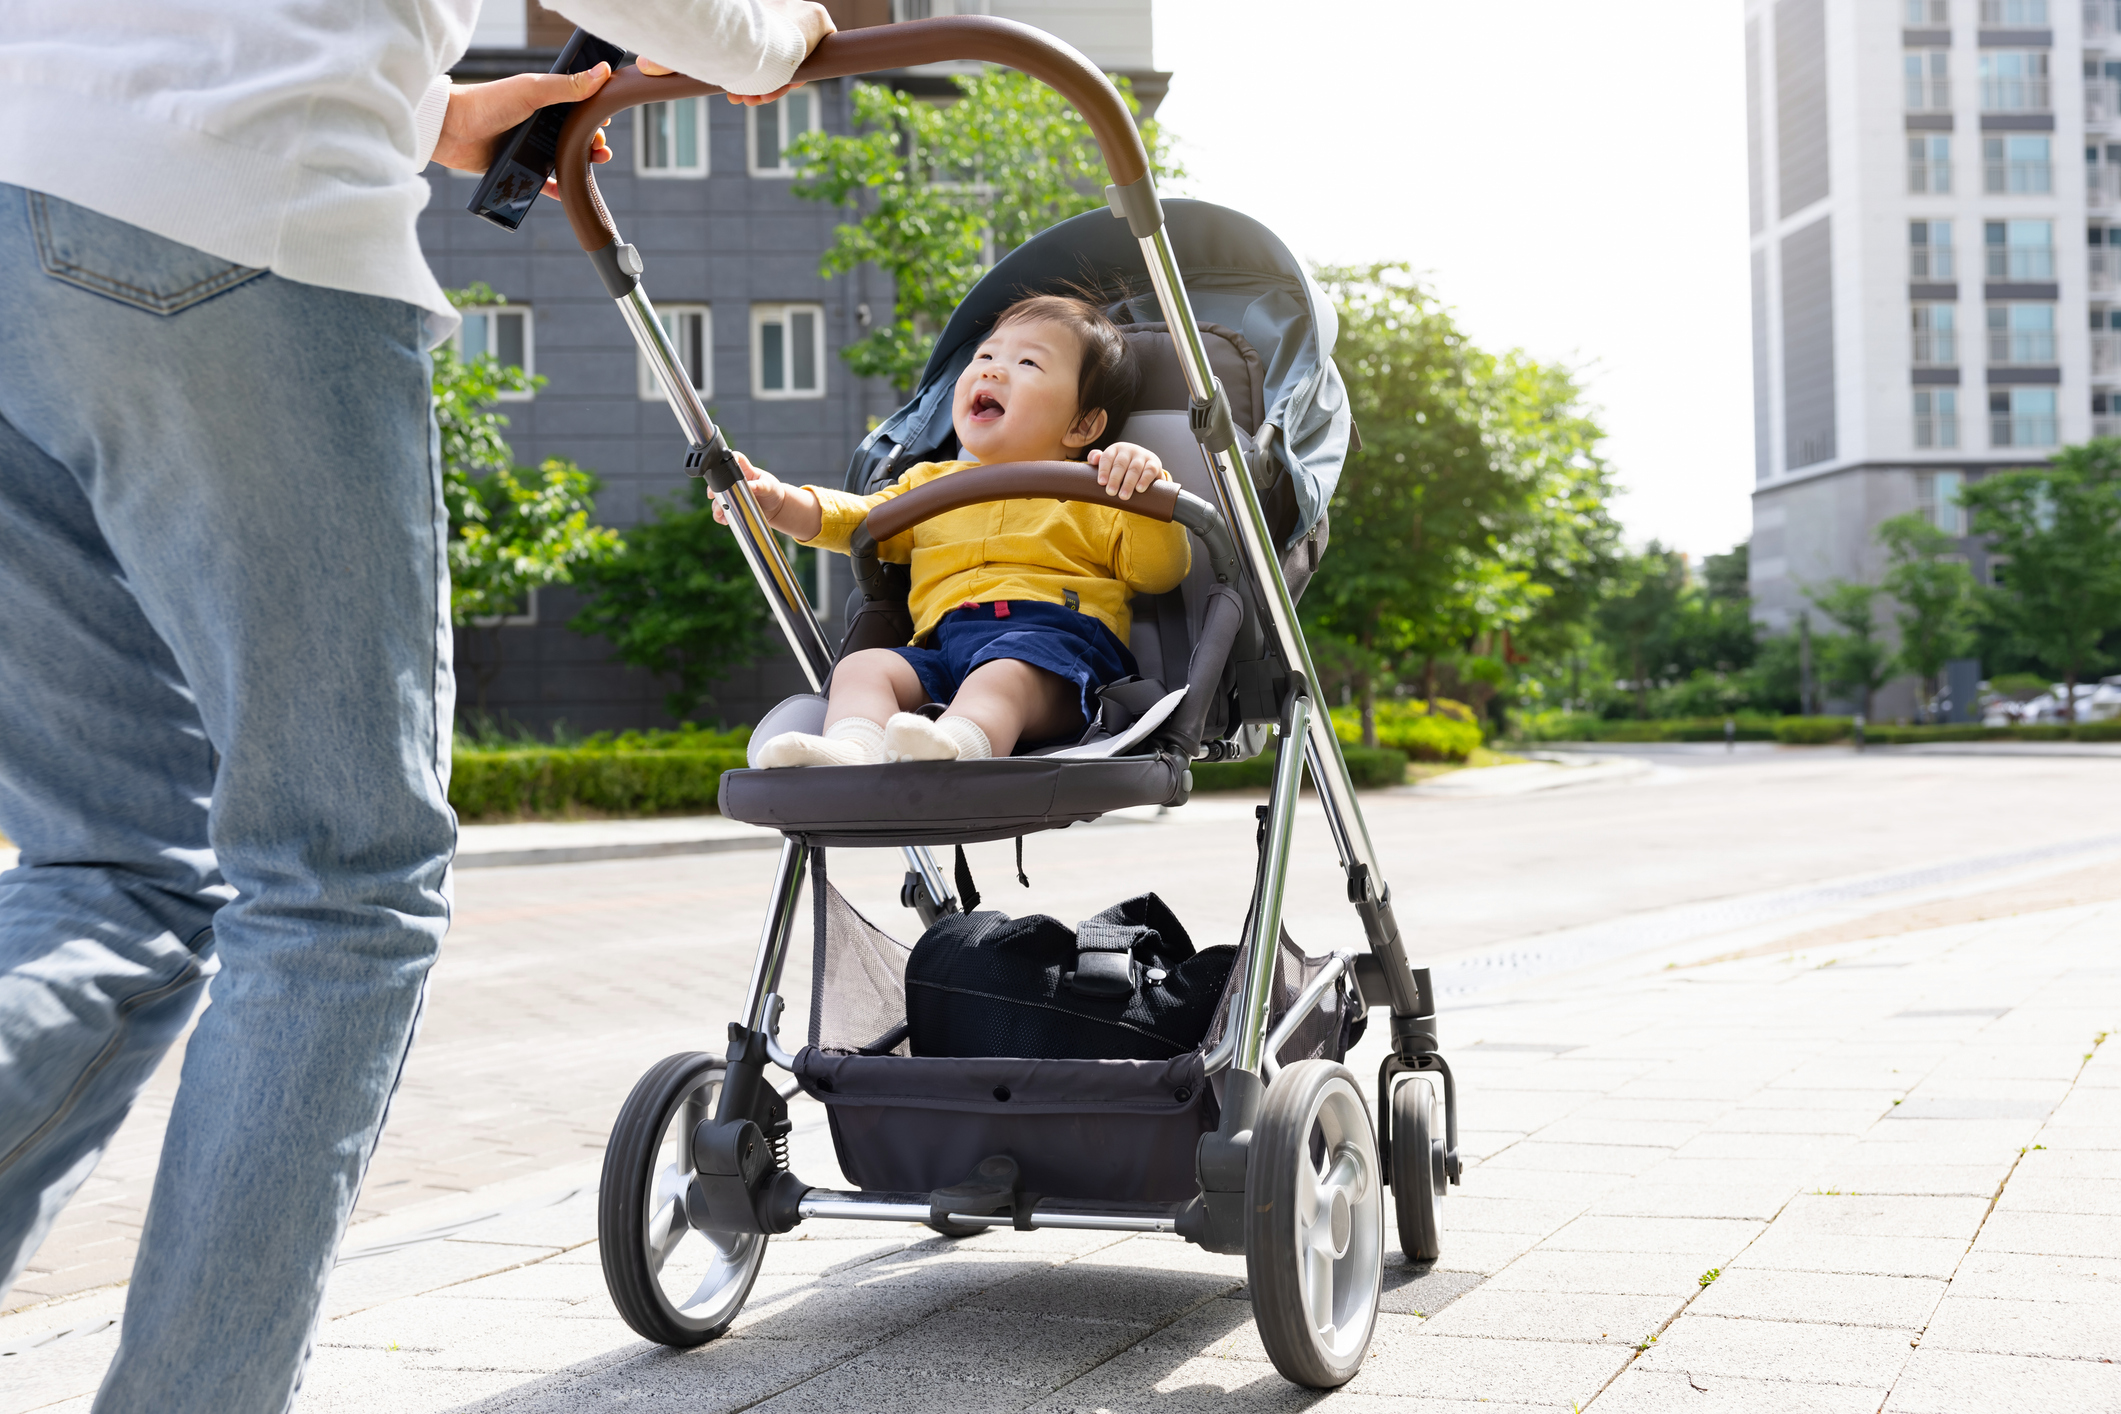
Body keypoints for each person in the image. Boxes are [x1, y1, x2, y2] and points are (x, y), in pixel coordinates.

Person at [0, 3, 833, 1409]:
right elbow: (719, 26)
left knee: (110, 865)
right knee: (338, 883)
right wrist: (774, 31)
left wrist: (432, 109)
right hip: (226, 215)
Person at [729, 294, 1190, 766]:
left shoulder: (1099, 490)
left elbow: (1158, 572)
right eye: (985, 355)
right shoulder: (929, 486)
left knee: (1003, 675)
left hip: (1055, 653)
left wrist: (1145, 487)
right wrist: (779, 501)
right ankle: (855, 749)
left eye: (1028, 361)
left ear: (1083, 424)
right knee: (863, 667)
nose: (990, 370)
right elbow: (858, 522)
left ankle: (959, 747)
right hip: (942, 647)